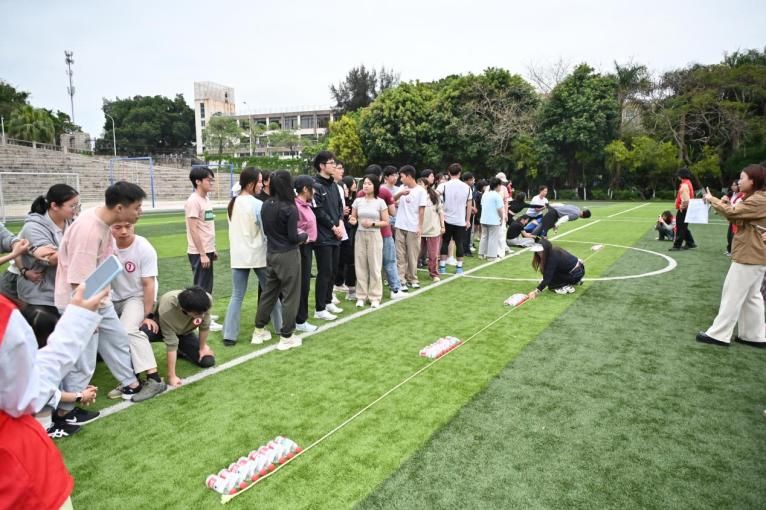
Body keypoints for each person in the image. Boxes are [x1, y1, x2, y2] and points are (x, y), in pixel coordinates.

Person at [0, 283, 109, 510]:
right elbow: (27, 396)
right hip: (17, 477)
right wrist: (78, 321)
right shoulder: (3, 316)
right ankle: (52, 424)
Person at [53, 181, 146, 425]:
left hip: (99, 299)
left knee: (117, 338)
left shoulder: (102, 222)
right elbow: (79, 281)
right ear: (120, 208)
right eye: (137, 207)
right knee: (83, 360)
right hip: (81, 303)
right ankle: (65, 412)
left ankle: (130, 383)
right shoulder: (89, 231)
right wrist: (86, 316)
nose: (140, 212)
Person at [697, 164, 766, 347]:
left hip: (749, 254)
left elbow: (733, 213)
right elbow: (735, 215)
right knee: (752, 297)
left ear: (754, 181)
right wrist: (724, 204)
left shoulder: (757, 200)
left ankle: (719, 334)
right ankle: (754, 335)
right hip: (755, 254)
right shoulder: (756, 199)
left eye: (742, 178)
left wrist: (712, 199)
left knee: (732, 294)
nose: (739, 182)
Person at [222, 168, 283, 346]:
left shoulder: (232, 203)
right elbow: (266, 230)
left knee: (237, 295)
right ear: (250, 184)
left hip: (238, 255)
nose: (261, 185)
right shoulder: (257, 204)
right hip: (258, 254)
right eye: (259, 181)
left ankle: (229, 335)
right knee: (270, 292)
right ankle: (281, 326)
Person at [108, 221, 167, 401]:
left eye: (128, 226)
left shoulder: (143, 248)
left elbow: (149, 284)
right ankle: (130, 381)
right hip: (110, 297)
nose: (123, 231)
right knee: (104, 333)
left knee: (128, 329)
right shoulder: (105, 244)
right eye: (118, 227)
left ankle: (154, 379)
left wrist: (147, 315)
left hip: (136, 297)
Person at [251, 171, 308, 350]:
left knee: (269, 293)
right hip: (288, 255)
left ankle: (258, 330)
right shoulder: (289, 208)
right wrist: (304, 236)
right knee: (291, 295)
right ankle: (286, 336)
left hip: (271, 253)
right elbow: (293, 237)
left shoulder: (266, 204)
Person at [16, 185, 80, 324]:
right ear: (54, 206)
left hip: (65, 291)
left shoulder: (72, 222)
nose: (76, 210)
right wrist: (83, 249)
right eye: (72, 206)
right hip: (40, 293)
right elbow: (51, 259)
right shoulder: (33, 227)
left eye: (77, 205)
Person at [140, 286, 216, 386]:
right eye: (198, 314)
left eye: (204, 312)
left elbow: (204, 326)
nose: (202, 316)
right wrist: (172, 376)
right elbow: (171, 343)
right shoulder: (167, 309)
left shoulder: (206, 300)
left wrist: (202, 348)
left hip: (184, 332)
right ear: (183, 309)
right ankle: (133, 377)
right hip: (160, 328)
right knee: (141, 333)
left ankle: (181, 351)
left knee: (207, 361)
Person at [184, 166, 223, 331]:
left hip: (207, 250)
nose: (211, 182)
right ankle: (201, 319)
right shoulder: (193, 201)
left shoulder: (205, 199)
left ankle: (206, 313)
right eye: (208, 180)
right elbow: (193, 229)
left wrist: (212, 249)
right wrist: (202, 254)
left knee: (207, 286)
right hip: (199, 252)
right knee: (201, 287)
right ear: (198, 181)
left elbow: (206, 226)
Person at [361, 165, 406, 300]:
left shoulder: (361, 193)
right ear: (380, 177)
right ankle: (395, 289)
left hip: (366, 232)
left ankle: (366, 291)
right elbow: (393, 212)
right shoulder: (384, 192)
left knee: (368, 263)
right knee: (389, 261)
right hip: (384, 232)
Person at [311, 151, 344, 321]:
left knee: (333, 270)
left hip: (335, 234)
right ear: (322, 166)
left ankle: (328, 300)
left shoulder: (334, 185)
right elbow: (318, 211)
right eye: (331, 163)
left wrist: (339, 223)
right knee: (324, 271)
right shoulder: (315, 185)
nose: (334, 166)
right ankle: (319, 308)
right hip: (323, 236)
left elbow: (339, 206)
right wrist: (332, 226)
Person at [349, 175, 390, 308]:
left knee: (375, 266)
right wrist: (352, 220)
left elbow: (386, 222)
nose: (366, 186)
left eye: (369, 184)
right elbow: (353, 218)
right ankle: (361, 296)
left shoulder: (380, 202)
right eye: (365, 183)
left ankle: (375, 297)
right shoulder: (358, 201)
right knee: (360, 266)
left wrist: (372, 223)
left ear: (375, 186)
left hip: (374, 235)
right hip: (360, 235)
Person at [395, 165, 427, 288]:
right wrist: (400, 194)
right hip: (400, 225)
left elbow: (422, 210)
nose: (401, 179)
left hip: (413, 227)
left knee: (412, 255)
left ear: (409, 176)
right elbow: (391, 200)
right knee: (400, 254)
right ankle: (401, 278)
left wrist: (419, 226)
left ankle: (412, 278)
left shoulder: (421, 191)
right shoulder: (401, 188)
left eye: (402, 176)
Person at [294, 175, 319, 332]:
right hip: (301, 247)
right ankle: (300, 320)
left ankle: (299, 318)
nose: (314, 191)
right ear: (305, 189)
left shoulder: (306, 205)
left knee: (304, 284)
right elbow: (293, 227)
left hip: (308, 247)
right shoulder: (296, 206)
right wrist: (303, 236)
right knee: (302, 285)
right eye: (312, 188)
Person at [438, 163, 472, 275]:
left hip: (446, 218)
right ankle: (459, 268)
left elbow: (435, 196)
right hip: (460, 219)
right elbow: (469, 205)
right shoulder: (467, 187)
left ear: (449, 173)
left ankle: (442, 267)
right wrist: (467, 220)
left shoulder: (443, 185)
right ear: (460, 173)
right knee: (459, 243)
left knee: (445, 242)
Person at [334, 175, 357, 300]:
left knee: (347, 259)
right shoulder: (342, 203)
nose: (347, 190)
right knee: (343, 260)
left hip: (348, 231)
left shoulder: (352, 200)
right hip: (341, 232)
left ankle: (346, 284)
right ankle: (339, 284)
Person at [419, 177, 445, 281]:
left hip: (433, 229)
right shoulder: (415, 196)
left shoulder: (434, 196)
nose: (418, 186)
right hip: (419, 229)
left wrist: (442, 226)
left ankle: (434, 273)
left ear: (426, 185)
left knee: (433, 254)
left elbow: (440, 212)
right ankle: (411, 273)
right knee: (417, 253)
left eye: (420, 184)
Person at [670, 167, 697, 251]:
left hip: (684, 209)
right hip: (687, 209)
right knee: (683, 227)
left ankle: (677, 245)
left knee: (680, 227)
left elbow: (686, 199)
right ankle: (690, 242)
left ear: (680, 176)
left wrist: (682, 206)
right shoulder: (688, 183)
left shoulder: (684, 185)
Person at [479, 178, 507, 260]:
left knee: (484, 236)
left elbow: (482, 205)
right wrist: (501, 218)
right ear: (497, 185)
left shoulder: (485, 194)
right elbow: (500, 209)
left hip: (484, 219)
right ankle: (491, 256)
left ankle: (481, 254)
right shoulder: (497, 196)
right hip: (493, 220)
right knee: (493, 238)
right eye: (500, 185)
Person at [723, 179, 744, 256]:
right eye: (732, 185)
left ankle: (733, 251)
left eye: (735, 185)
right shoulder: (732, 194)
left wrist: (728, 203)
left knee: (733, 235)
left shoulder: (742, 195)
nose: (733, 187)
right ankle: (730, 250)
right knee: (729, 235)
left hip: (736, 218)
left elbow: (735, 207)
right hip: (732, 217)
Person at [461, 172, 477, 256]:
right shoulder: (463, 188)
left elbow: (472, 199)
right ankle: (465, 250)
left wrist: (473, 208)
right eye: (472, 180)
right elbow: (463, 201)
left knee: (468, 230)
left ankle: (467, 248)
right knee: (465, 231)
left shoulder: (470, 188)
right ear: (467, 180)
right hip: (464, 212)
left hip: (469, 211)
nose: (473, 181)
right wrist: (471, 208)